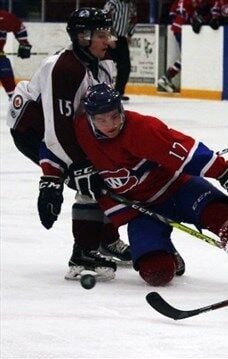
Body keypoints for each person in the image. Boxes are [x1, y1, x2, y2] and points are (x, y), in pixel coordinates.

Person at [73, 83, 228, 287]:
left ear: (121, 109)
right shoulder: (80, 132)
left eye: (114, 116)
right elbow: (56, 153)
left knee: (220, 214)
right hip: (142, 209)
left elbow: (185, 152)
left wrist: (226, 172)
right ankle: (167, 252)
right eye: (101, 120)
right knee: (157, 273)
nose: (110, 125)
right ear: (90, 118)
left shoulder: (142, 128)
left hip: (179, 188)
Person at [6, 7, 141, 281]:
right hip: (32, 131)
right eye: (103, 34)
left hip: (59, 128)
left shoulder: (100, 65)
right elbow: (56, 131)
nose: (110, 40)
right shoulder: (65, 68)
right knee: (90, 181)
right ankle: (82, 255)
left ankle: (105, 239)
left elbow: (90, 120)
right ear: (82, 37)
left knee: (103, 175)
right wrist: (66, 172)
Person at [103, 0, 137, 101]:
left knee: (125, 66)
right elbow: (105, 19)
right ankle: (103, 91)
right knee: (105, 65)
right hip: (109, 38)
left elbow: (134, 19)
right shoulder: (112, 3)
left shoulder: (130, 5)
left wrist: (130, 34)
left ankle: (118, 92)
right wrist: (110, 36)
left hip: (122, 38)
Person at [0, 9, 32, 98]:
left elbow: (19, 27)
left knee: (12, 92)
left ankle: (18, 108)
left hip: (1, 60)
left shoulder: (3, 17)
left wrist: (24, 44)